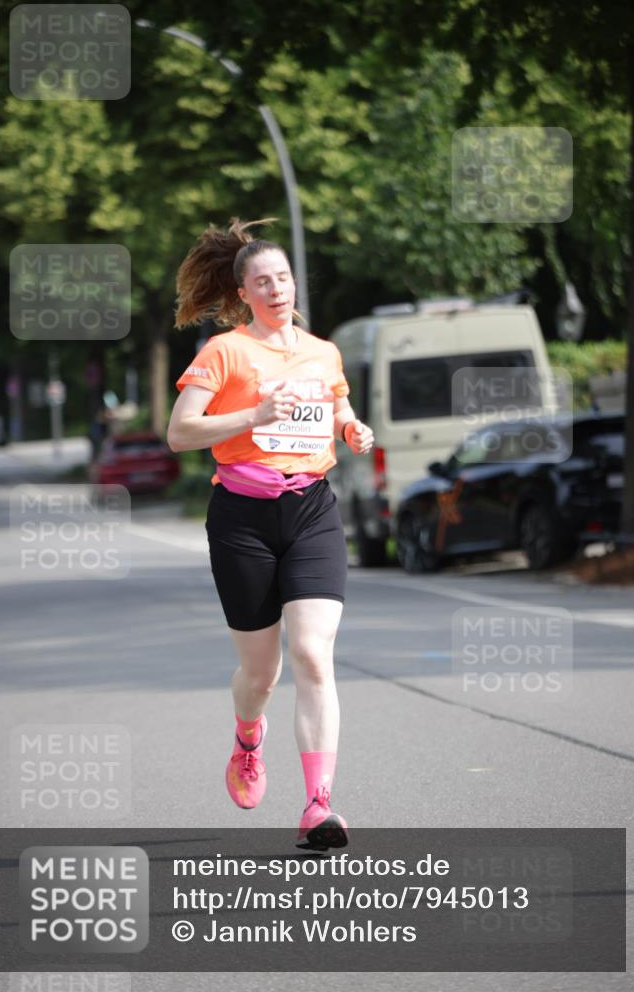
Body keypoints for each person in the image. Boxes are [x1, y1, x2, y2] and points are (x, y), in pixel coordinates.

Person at [167, 218, 374, 851]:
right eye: (263, 281)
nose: (277, 288)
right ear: (244, 292)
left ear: (293, 284)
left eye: (283, 277)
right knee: (261, 674)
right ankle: (248, 738)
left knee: (314, 653)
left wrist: (351, 428)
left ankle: (319, 806)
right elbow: (180, 432)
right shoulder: (224, 352)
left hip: (311, 510)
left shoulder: (322, 351)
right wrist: (254, 414)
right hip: (243, 519)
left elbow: (336, 403)